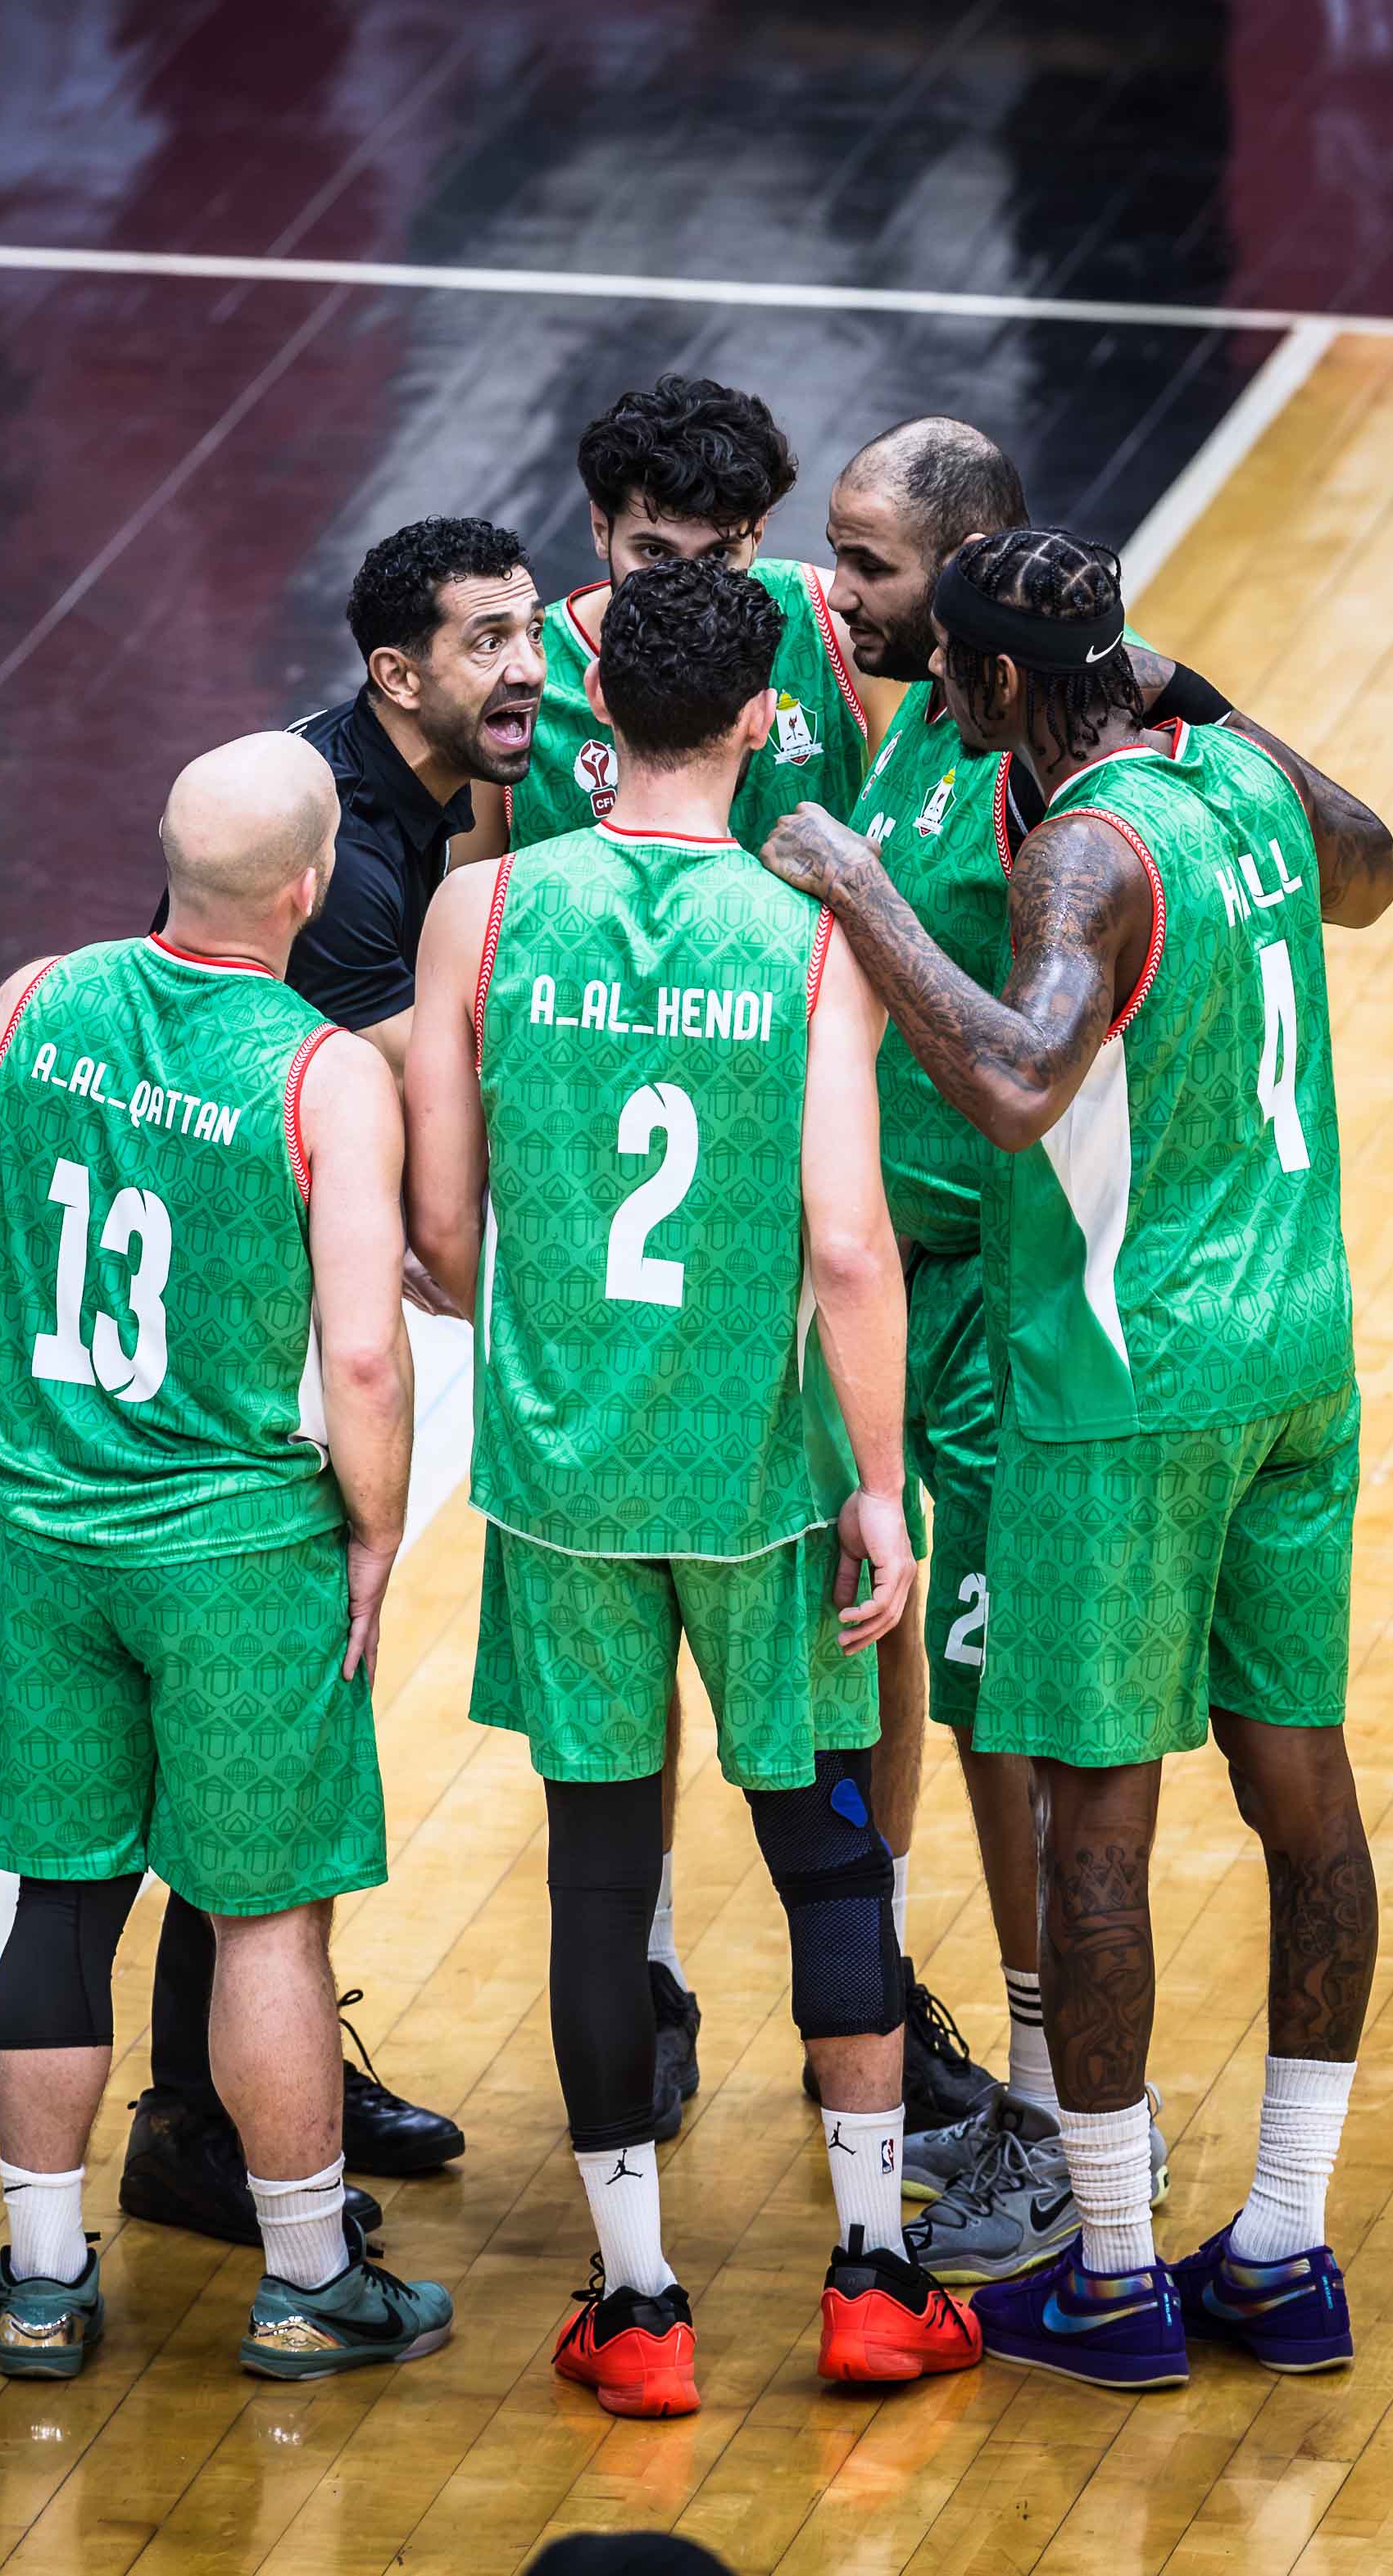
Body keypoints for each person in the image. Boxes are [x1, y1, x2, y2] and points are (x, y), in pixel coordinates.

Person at [763, 525, 1393, 2388]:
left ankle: (1111, 2270)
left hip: (1127, 1385)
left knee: (1091, 1821)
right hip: (1296, 1355)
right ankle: (1282, 2243)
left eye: (955, 683)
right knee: (1304, 1789)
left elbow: (1015, 1077)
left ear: (1000, 683)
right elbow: (1369, 867)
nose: (939, 708)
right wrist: (1203, 697)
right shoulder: (1239, 782)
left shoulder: (1079, 852)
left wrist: (858, 886)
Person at [407, 559, 981, 2411]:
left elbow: (439, 1226)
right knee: (827, 1848)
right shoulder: (811, 935)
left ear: (603, 725)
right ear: (754, 719)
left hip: (561, 1473)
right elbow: (850, 1243)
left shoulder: (483, 908)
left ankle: (640, 2307)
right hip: (762, 1469)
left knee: (598, 1870)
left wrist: (548, 1325)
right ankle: (874, 2275)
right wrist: (879, 1487)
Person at [461, 381, 993, 2143]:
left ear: (760, 544)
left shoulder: (827, 637)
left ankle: (874, 1971)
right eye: (644, 550)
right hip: (615, 1254)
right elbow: (469, 933)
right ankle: (659, 1980)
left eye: (712, 550)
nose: (679, 578)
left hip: (807, 1219)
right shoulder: (533, 685)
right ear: (592, 534)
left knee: (866, 1625)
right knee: (635, 1701)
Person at [0, 733, 454, 2383]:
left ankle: (38, 2281)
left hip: (56, 1537)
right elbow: (363, 1357)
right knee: (265, 1924)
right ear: (309, 886)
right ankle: (307, 2280)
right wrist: (375, 1528)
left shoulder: (29, 1001)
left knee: (59, 1904)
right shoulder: (324, 1073)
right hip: (235, 1553)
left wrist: (42, 1436)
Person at [122, 518, 542, 2250]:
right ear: (393, 674)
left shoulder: (449, 783)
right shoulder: (336, 861)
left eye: (531, 628)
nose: (528, 667)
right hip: (253, 1344)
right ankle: (193, 2125)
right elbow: (427, 1115)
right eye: (487, 641)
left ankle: (271, 2063)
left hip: (281, 1294)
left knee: (286, 1756)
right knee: (249, 1761)